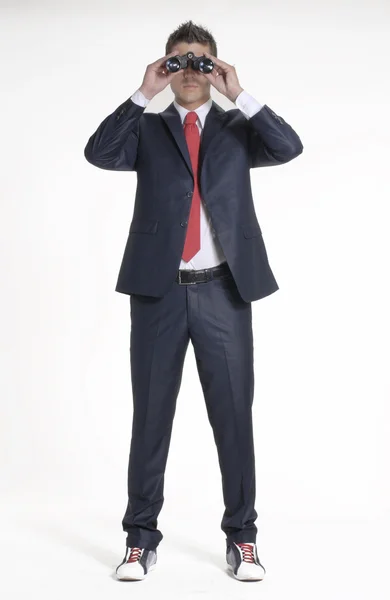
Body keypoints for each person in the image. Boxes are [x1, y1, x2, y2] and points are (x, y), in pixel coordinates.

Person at [84, 20, 303, 582]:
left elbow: (289, 146)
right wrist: (144, 92)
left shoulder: (236, 127)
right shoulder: (148, 128)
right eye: (179, 60)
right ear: (166, 67)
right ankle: (139, 538)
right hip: (158, 293)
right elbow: (98, 153)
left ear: (216, 67)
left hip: (224, 291)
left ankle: (243, 538)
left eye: (201, 61)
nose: (189, 71)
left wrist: (239, 92)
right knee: (150, 418)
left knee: (233, 418)